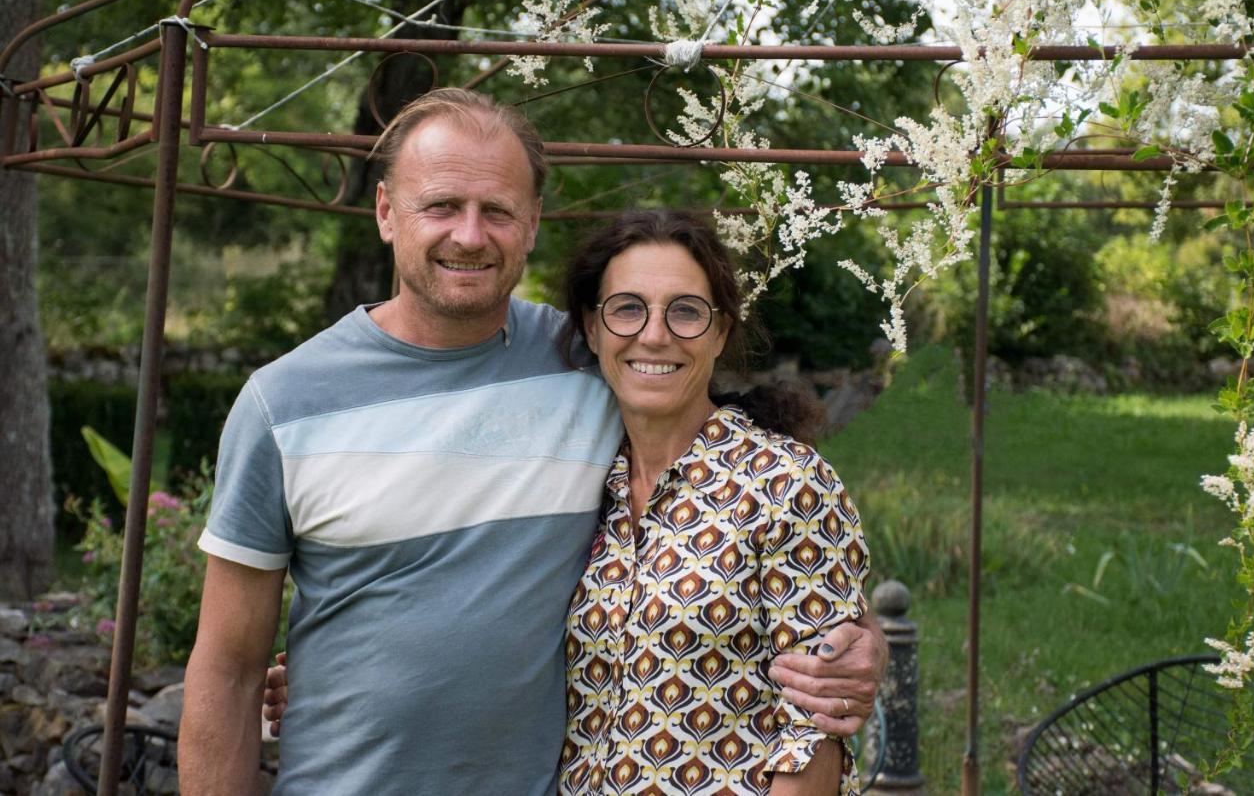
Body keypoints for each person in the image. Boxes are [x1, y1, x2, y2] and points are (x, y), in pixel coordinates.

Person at [179, 88, 884, 796]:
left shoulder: (587, 363)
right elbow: (229, 670)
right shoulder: (284, 402)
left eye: (498, 211)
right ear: (387, 211)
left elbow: (763, 535)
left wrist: (852, 644)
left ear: (534, 221)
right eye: (442, 205)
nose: (470, 234)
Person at [554, 211, 869, 794]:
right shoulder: (586, 486)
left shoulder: (785, 483)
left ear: (720, 332)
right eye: (627, 307)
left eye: (685, 311)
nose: (654, 334)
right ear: (592, 329)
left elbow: (815, 731)